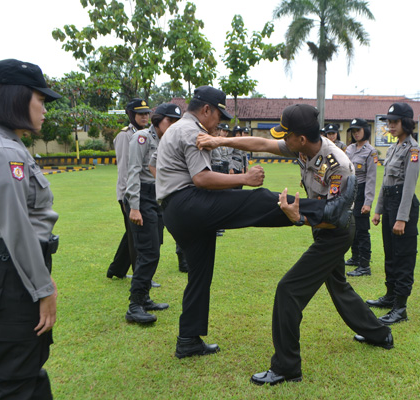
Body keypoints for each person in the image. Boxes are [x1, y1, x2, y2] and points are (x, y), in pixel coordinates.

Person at [197, 103, 394, 386]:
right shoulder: (303, 147)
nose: (282, 141)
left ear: (301, 137)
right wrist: (219, 140)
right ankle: (380, 334)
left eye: (286, 135)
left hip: (336, 232)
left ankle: (287, 367)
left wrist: (299, 217)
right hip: (323, 228)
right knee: (339, 285)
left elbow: (336, 217)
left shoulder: (339, 165)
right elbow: (261, 143)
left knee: (288, 290)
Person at [155, 87, 354, 360]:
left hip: (175, 213)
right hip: (189, 203)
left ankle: (188, 339)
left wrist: (221, 143)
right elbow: (201, 178)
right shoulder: (193, 131)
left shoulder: (178, 129)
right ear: (206, 110)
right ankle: (326, 211)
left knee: (199, 275)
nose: (219, 123)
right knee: (257, 200)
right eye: (219, 115)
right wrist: (244, 180)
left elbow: (261, 144)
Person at [0, 58, 62, 399]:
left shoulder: (11, 146)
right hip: (15, 275)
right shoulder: (4, 154)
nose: (44, 109)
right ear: (17, 98)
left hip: (20, 272)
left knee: (29, 366)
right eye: (40, 100)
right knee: (15, 378)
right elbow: (17, 231)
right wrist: (43, 289)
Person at [124, 103, 182, 323]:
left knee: (154, 247)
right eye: (170, 121)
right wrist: (135, 207)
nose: (173, 125)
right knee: (149, 253)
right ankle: (134, 305)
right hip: (142, 196)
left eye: (177, 122)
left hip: (157, 197)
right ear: (158, 120)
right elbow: (133, 172)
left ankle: (144, 297)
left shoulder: (167, 140)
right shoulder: (142, 138)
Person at [366, 103, 420, 325]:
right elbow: (385, 182)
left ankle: (400, 307)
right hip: (389, 203)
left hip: (401, 205)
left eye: (394, 122)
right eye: (388, 122)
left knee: (403, 257)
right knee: (390, 253)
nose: (390, 126)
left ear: (406, 123)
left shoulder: (412, 149)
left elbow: (409, 185)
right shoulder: (394, 148)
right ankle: (390, 296)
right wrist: (378, 210)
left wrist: (401, 217)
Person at [107, 98, 161, 287]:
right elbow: (125, 168)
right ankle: (142, 275)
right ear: (131, 115)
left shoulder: (149, 134)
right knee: (137, 236)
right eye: (140, 114)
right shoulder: (125, 135)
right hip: (130, 193)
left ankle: (116, 269)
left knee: (132, 232)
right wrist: (125, 196)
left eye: (147, 113)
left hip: (145, 191)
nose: (145, 117)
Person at [345, 119, 377, 277]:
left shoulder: (371, 152)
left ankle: (364, 265)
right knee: (352, 226)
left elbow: (371, 178)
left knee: (362, 230)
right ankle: (355, 257)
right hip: (349, 191)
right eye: (353, 130)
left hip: (362, 191)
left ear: (366, 130)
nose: (355, 133)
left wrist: (368, 202)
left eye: (358, 130)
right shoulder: (349, 148)